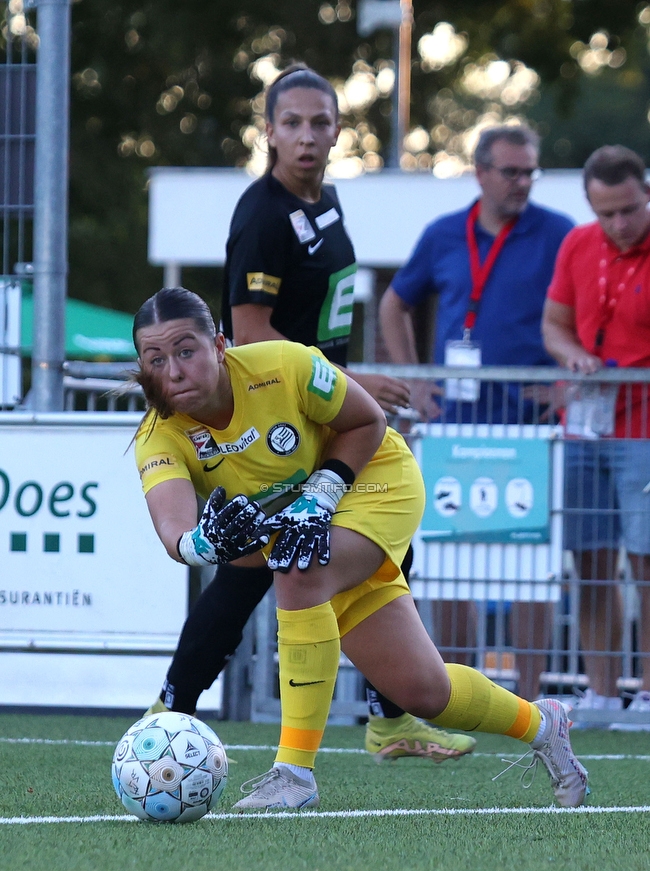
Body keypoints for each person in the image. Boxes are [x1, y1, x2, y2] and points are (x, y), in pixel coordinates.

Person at [132, 285, 588, 812]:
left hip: (376, 480)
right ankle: (543, 724)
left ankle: (293, 774)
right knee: (423, 692)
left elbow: (369, 421)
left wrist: (320, 498)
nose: (173, 371)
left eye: (186, 351)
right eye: (155, 359)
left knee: (297, 568)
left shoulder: (284, 363)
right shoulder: (157, 434)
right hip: (314, 522)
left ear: (219, 344)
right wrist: (200, 544)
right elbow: (175, 530)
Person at [146, 63, 476, 764]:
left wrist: (349, 399)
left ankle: (391, 715)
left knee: (377, 551)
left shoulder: (325, 205)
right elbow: (251, 334)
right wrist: (356, 381)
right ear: (267, 132)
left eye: (319, 123)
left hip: (321, 411)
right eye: (290, 123)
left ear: (337, 131)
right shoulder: (263, 215)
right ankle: (171, 708)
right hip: (277, 416)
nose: (305, 136)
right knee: (251, 566)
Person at [379, 125, 574, 700]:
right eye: (511, 172)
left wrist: (566, 385)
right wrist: (415, 384)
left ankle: (534, 697)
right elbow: (394, 303)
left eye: (529, 172)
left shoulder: (560, 234)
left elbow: (581, 317)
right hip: (455, 428)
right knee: (452, 561)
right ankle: (460, 690)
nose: (522, 183)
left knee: (531, 567)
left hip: (533, 429)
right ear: (481, 172)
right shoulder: (443, 235)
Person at [542, 144, 650, 727]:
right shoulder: (577, 244)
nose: (619, 223)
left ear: (647, 193)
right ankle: (603, 690)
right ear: (590, 204)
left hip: (646, 428)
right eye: (606, 212)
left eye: (629, 210)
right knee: (591, 559)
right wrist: (576, 357)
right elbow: (554, 326)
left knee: (648, 559)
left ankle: (649, 692)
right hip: (584, 426)